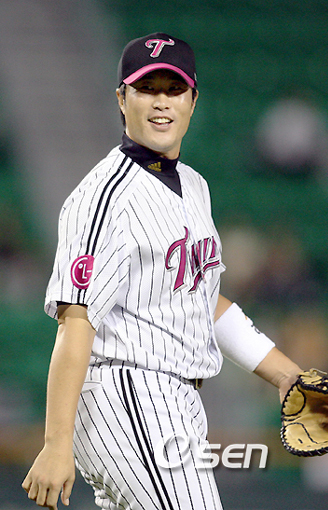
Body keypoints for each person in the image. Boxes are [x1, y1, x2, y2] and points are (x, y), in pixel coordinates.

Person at [22, 33, 301, 510]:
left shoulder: (195, 187)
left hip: (176, 402)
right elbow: (76, 321)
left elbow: (201, 299)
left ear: (193, 101)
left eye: (174, 89)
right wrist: (55, 443)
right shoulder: (105, 197)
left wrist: (286, 374)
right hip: (128, 393)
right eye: (146, 88)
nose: (161, 102)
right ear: (121, 99)